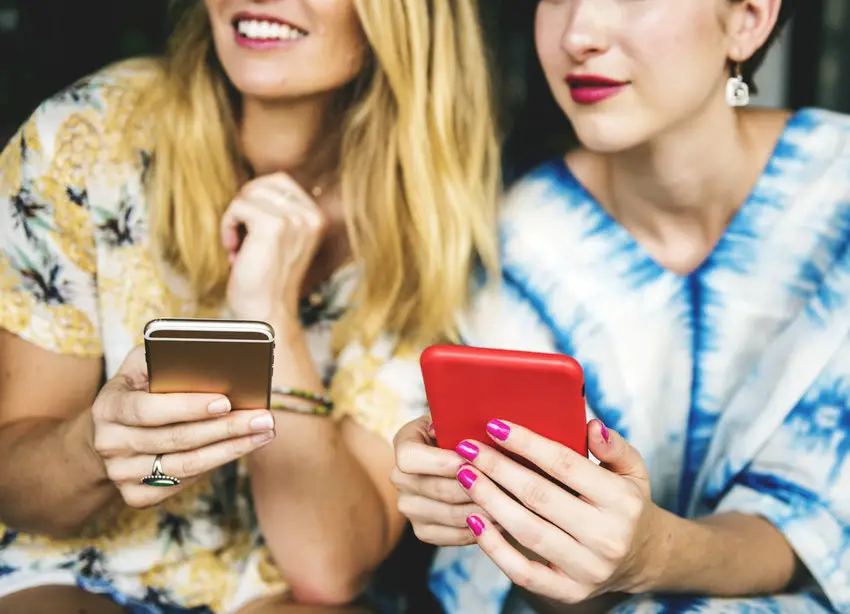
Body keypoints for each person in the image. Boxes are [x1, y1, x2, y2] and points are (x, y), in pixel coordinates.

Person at [0, 0, 500, 612]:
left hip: (274, 590)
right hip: (71, 567)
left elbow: (327, 569)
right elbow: (17, 489)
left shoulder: (430, 226)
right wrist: (94, 449)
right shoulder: (89, 140)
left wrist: (270, 315)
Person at [391, 0, 850, 612]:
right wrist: (513, 522)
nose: (578, 35)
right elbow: (554, 595)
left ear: (747, 19)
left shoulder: (837, 198)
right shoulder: (511, 247)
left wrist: (651, 553)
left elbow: (816, 535)